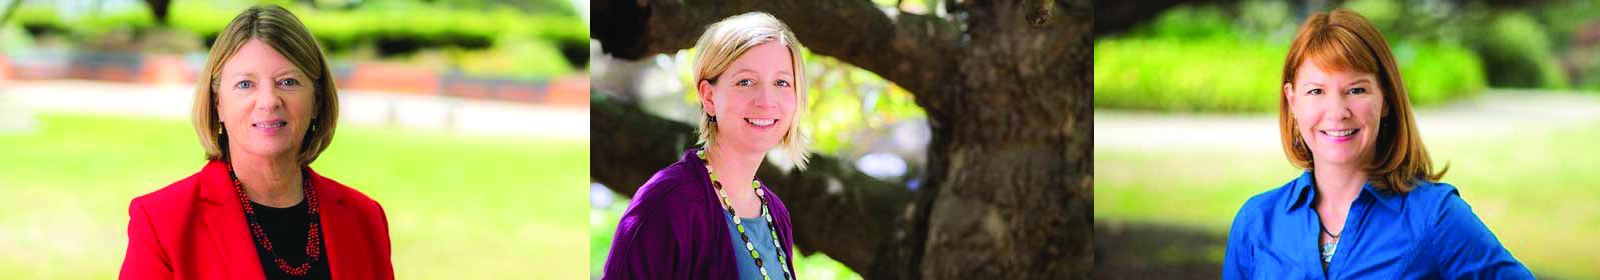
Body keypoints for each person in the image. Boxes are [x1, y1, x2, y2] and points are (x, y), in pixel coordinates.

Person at [1221, 9, 1534, 279]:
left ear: (1385, 99)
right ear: (1292, 101)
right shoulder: (1256, 222)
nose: (1337, 112)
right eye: (1316, 91)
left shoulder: (1435, 216)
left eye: (1356, 90)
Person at [119, 5, 393, 279]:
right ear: (218, 105)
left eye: (287, 81)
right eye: (245, 84)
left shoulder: (365, 218)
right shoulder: (162, 222)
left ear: (316, 102)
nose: (269, 101)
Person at [601, 11, 810, 280]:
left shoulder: (775, 212)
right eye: (745, 82)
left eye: (782, 82)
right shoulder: (667, 203)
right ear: (709, 96)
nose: (766, 100)